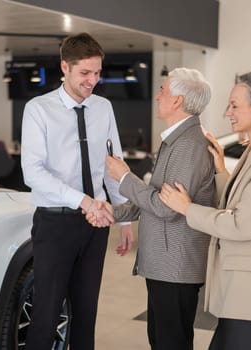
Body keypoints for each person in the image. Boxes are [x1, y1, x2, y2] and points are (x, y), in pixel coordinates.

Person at [159, 71, 251, 350]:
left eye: (234, 105)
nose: (228, 112)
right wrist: (220, 171)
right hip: (245, 297)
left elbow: (242, 224)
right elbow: (244, 203)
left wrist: (187, 208)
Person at [20, 32, 133, 350]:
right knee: (46, 316)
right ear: (64, 67)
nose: (92, 80)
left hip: (95, 227)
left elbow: (113, 165)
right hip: (55, 224)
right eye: (85, 73)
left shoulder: (103, 108)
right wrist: (84, 201)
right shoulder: (38, 109)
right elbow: (33, 173)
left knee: (86, 315)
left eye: (97, 73)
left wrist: (123, 217)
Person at [96, 67, 216, 350]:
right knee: (163, 340)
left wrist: (124, 177)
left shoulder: (188, 145)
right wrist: (114, 212)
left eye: (162, 90)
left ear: (177, 100)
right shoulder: (177, 139)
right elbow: (151, 198)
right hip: (167, 265)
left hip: (175, 266)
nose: (157, 96)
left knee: (170, 343)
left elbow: (166, 208)